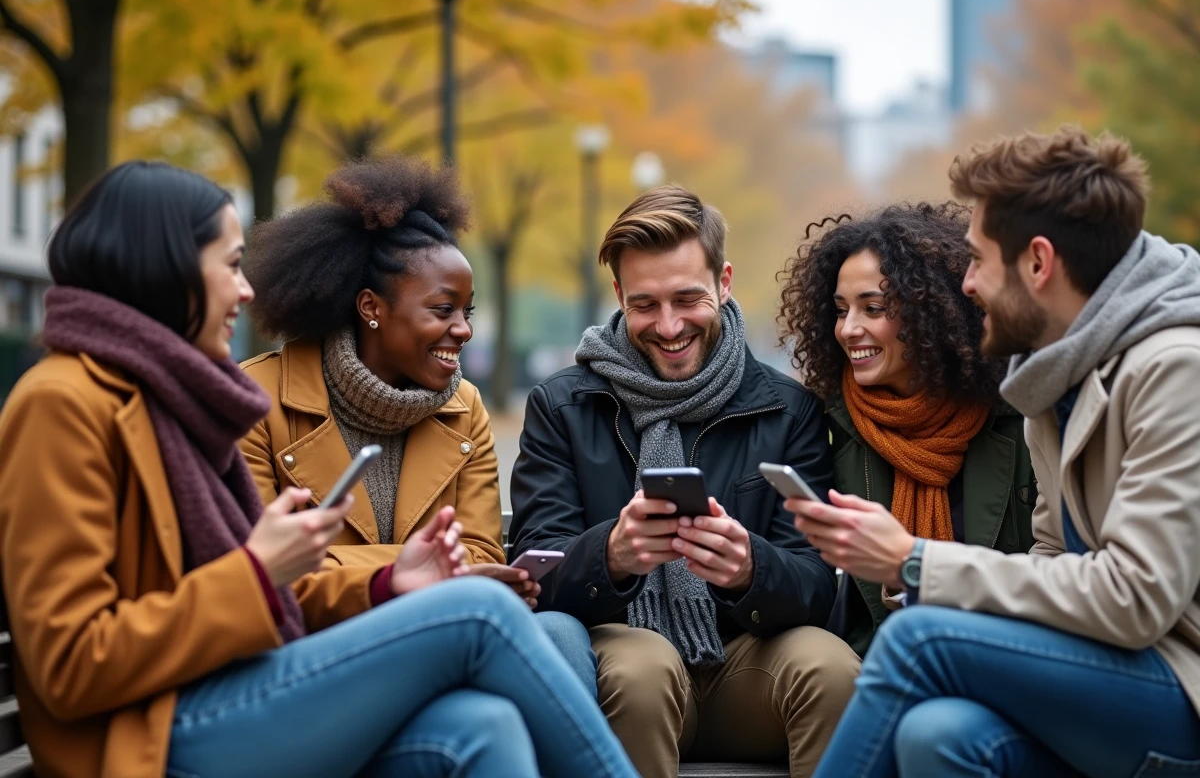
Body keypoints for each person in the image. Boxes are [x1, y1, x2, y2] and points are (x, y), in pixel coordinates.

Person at [0, 160, 640, 778]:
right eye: (229, 266)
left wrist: (386, 584)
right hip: (144, 732)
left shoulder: (175, 396)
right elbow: (71, 666)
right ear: (164, 269)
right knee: (479, 613)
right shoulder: (63, 402)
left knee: (481, 729)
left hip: (226, 686)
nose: (247, 290)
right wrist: (255, 571)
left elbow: (263, 590)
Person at [790, 126, 1200, 778]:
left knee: (916, 638)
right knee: (938, 735)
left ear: (1037, 263)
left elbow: (1136, 596)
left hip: (1180, 689)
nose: (969, 283)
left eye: (979, 260)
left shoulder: (1176, 368)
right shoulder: (1052, 375)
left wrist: (916, 561)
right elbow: (1050, 562)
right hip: (1108, 671)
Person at [509, 184, 861, 778]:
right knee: (642, 673)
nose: (668, 326)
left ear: (723, 283)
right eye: (644, 304)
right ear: (618, 295)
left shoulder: (788, 409)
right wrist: (613, 556)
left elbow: (817, 586)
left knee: (832, 669)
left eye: (687, 299)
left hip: (743, 658)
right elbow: (533, 573)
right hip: (623, 652)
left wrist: (750, 569)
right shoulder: (563, 406)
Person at [239, 156, 596, 691]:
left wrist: (391, 571)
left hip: (438, 640)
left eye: (467, 312)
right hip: (314, 654)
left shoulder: (464, 407)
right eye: (442, 309)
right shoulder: (257, 401)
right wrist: (403, 574)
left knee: (560, 635)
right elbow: (264, 569)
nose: (463, 330)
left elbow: (479, 554)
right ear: (370, 307)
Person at [777, 202, 1035, 656]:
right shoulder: (831, 426)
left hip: (1005, 653)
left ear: (931, 314)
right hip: (881, 662)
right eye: (840, 311)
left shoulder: (1019, 418)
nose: (849, 329)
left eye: (872, 308)